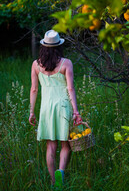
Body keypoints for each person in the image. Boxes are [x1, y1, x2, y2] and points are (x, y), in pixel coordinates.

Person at [29, 30, 82, 187]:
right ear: (59, 46)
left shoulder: (36, 65)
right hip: (63, 106)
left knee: (51, 146)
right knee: (66, 144)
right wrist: (76, 111)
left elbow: (34, 89)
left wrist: (32, 111)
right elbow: (71, 89)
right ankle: (61, 172)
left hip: (46, 108)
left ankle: (53, 182)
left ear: (44, 46)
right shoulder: (66, 63)